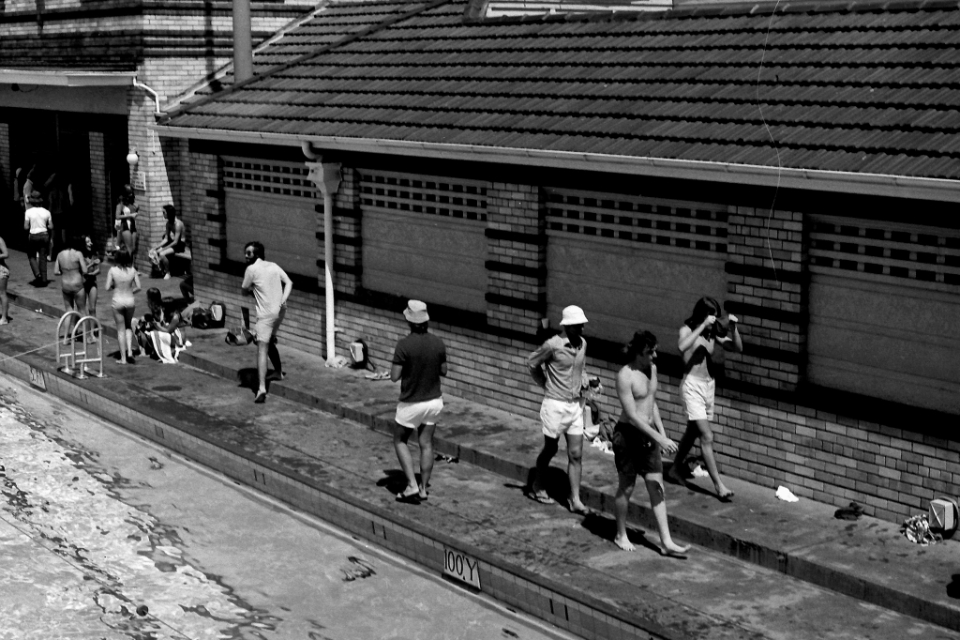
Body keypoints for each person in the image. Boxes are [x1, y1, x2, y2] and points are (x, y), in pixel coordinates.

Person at [613, 330, 690, 557]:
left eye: (655, 351)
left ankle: (666, 542)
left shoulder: (652, 369)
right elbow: (633, 416)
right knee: (626, 487)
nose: (655, 356)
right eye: (650, 352)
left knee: (657, 487)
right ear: (638, 353)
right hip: (628, 436)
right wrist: (660, 439)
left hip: (649, 437)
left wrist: (662, 433)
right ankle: (620, 534)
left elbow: (650, 403)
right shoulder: (624, 376)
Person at [667, 296, 743, 501]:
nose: (713, 320)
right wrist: (702, 326)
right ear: (702, 315)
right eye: (711, 316)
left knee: (692, 431)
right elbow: (682, 347)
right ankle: (719, 486)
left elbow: (737, 348)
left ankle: (674, 469)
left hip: (709, 386)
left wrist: (733, 328)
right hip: (691, 386)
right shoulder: (688, 330)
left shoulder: (712, 334)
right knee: (706, 436)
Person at [527, 305, 592, 515]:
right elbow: (532, 363)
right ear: (567, 326)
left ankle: (575, 499)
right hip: (555, 405)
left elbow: (579, 370)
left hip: (576, 405)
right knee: (551, 448)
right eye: (577, 325)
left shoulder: (583, 344)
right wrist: (545, 385)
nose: (581, 328)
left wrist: (587, 383)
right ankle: (537, 485)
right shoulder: (552, 345)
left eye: (582, 324)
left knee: (576, 453)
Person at [390, 300, 447, 503]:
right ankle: (423, 488)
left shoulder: (404, 345)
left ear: (409, 321)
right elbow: (443, 371)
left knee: (399, 440)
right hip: (434, 402)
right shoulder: (438, 343)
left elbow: (394, 376)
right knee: (426, 443)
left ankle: (411, 486)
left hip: (412, 403)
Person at [241, 241, 291, 403]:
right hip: (280, 311)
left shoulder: (251, 269)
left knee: (261, 348)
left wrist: (252, 292)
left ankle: (261, 388)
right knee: (268, 341)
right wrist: (283, 300)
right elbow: (289, 282)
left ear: (256, 255)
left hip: (266, 315)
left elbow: (244, 290)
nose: (245, 256)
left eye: (248, 253)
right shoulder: (274, 266)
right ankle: (277, 372)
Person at [106, 248, 141, 364]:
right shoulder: (132, 270)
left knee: (120, 330)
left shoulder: (112, 270)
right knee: (128, 326)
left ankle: (123, 358)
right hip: (130, 300)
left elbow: (107, 287)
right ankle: (130, 351)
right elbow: (139, 287)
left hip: (118, 301)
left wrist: (114, 287)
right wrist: (130, 291)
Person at [136, 288, 186, 363]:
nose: (162, 308)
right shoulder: (168, 314)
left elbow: (167, 330)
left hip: (178, 338)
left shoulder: (175, 317)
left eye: (163, 306)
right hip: (171, 333)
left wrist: (155, 325)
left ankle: (161, 353)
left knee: (154, 333)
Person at [53, 235, 88, 337]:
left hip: (66, 285)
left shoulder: (60, 255)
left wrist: (64, 271)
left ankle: (66, 337)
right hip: (77, 284)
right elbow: (85, 270)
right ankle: (86, 336)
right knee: (82, 310)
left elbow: (55, 272)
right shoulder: (78, 254)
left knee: (68, 311)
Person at [149, 205, 186, 280]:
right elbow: (166, 239)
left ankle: (168, 272)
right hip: (172, 242)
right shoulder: (168, 223)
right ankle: (160, 269)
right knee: (153, 251)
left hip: (179, 244)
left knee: (162, 254)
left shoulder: (178, 224)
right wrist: (157, 247)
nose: (163, 214)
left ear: (169, 213)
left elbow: (176, 242)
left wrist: (163, 249)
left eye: (164, 212)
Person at [24, 190, 53, 286]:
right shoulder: (47, 212)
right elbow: (51, 226)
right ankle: (44, 279)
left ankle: (37, 274)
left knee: (31, 255)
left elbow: (26, 227)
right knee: (43, 257)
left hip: (33, 236)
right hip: (44, 235)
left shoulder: (28, 212)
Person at [115, 185, 139, 258]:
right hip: (125, 226)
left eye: (132, 193)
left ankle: (131, 263)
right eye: (130, 193)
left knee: (133, 248)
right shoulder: (121, 204)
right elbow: (117, 216)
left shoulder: (133, 203)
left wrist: (136, 209)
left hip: (133, 226)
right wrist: (130, 215)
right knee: (129, 248)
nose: (132, 194)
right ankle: (129, 265)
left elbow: (135, 211)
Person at [81, 235, 101, 322]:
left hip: (92, 282)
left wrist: (92, 273)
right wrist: (91, 264)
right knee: (81, 308)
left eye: (90, 241)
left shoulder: (94, 254)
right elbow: (82, 270)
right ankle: (85, 328)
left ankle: (93, 330)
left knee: (92, 308)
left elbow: (98, 270)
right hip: (82, 283)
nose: (90, 244)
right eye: (88, 242)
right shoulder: (80, 256)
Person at [0, 235, 10, 324]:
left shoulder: (0, 240)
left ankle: (4, 318)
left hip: (1, 270)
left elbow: (6, 254)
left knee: (2, 293)